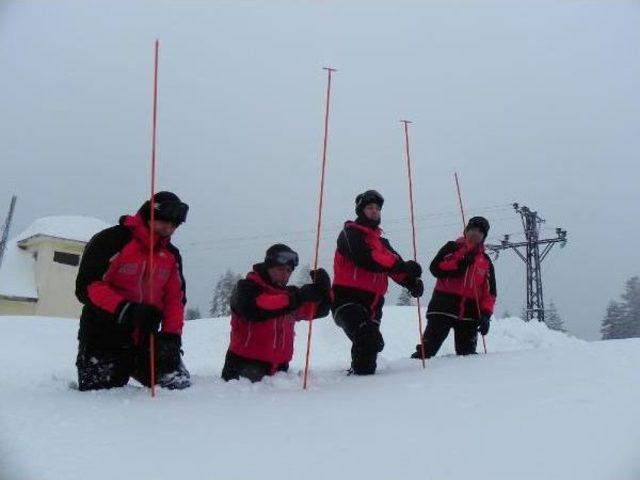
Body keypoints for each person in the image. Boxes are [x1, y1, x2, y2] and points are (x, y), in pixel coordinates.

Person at [75, 191, 190, 391]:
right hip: (104, 336)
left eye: (175, 225)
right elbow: (87, 287)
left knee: (177, 387)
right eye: (165, 221)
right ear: (150, 214)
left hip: (147, 339)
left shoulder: (171, 255)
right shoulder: (111, 240)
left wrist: (172, 336)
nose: (169, 228)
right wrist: (126, 309)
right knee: (102, 396)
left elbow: (175, 300)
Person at [332, 190, 424, 375]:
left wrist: (411, 282)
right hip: (347, 299)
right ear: (360, 211)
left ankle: (360, 377)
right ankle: (359, 379)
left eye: (377, 208)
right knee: (368, 337)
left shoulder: (383, 243)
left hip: (374, 302)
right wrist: (402, 265)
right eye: (369, 208)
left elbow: (394, 268)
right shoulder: (349, 234)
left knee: (369, 352)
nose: (375, 211)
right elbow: (366, 258)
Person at [222, 244, 331, 383]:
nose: (285, 275)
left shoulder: (289, 295)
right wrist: (298, 297)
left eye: (289, 271)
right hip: (243, 370)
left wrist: (324, 292)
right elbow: (255, 308)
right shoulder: (246, 287)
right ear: (268, 267)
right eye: (280, 269)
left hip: (279, 372)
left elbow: (318, 310)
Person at [411, 216, 496, 359]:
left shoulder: (486, 262)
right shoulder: (452, 247)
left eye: (480, 232)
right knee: (425, 353)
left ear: (484, 237)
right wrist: (460, 263)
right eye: (473, 229)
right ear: (466, 231)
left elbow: (490, 293)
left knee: (467, 357)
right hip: (442, 309)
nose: (476, 233)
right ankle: (411, 378)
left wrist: (486, 315)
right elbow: (436, 268)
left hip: (470, 315)